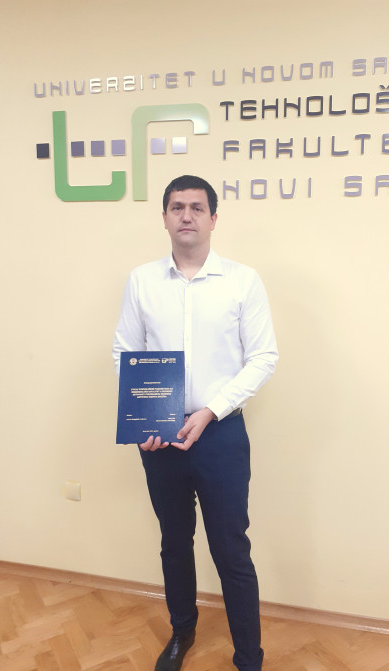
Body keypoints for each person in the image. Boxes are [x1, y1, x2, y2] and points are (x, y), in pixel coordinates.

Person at [113, 175, 278, 671]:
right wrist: (143, 416)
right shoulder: (142, 280)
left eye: (197, 207)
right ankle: (182, 632)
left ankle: (249, 657)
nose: (187, 215)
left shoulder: (242, 280)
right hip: (159, 433)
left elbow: (263, 357)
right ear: (164, 217)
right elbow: (124, 351)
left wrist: (211, 410)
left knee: (231, 548)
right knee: (174, 542)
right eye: (177, 207)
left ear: (213, 218)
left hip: (220, 432)